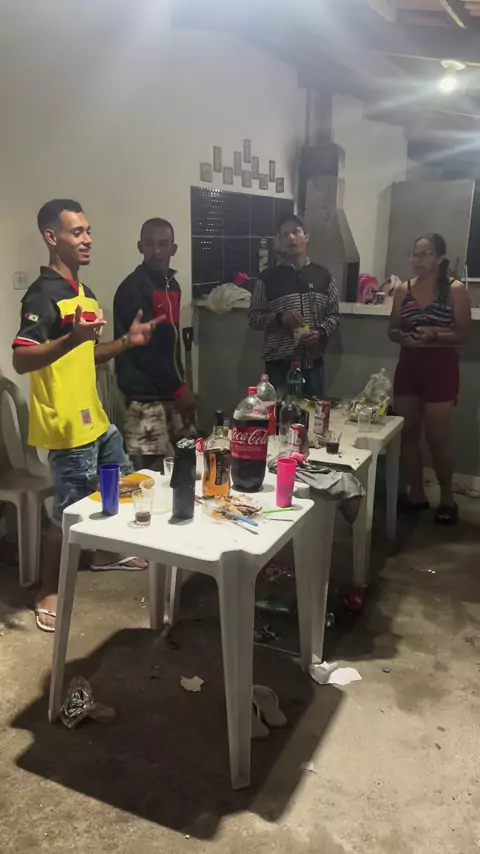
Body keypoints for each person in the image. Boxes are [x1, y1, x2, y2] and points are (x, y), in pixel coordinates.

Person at [12, 199, 163, 631]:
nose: (87, 239)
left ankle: (103, 554)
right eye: (76, 232)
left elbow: (88, 354)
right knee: (67, 512)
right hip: (65, 425)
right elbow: (21, 359)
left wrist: (128, 342)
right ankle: (48, 590)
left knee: (122, 487)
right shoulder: (42, 295)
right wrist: (69, 339)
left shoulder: (85, 294)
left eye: (88, 231)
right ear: (51, 238)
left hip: (95, 418)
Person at [388, 233, 471, 525]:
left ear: (439, 258)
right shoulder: (404, 288)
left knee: (437, 437)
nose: (418, 259)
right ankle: (417, 493)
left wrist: (433, 335)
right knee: (407, 433)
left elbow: (464, 334)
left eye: (425, 253)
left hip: (441, 366)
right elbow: (392, 329)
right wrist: (403, 337)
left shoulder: (455, 289)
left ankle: (447, 498)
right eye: (415, 253)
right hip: (409, 364)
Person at [114, 218, 196, 470]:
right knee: (151, 475)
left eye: (163, 244)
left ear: (174, 248)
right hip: (144, 398)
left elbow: (168, 344)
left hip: (170, 393)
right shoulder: (132, 289)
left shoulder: (173, 286)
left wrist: (179, 386)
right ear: (140, 247)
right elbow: (146, 352)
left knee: (183, 466)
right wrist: (180, 390)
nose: (157, 250)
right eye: (149, 243)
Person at [248, 213, 339, 397]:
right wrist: (280, 319)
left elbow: (334, 316)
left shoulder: (324, 276)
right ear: (280, 242)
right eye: (285, 234)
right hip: (280, 368)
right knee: (281, 414)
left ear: (306, 236)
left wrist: (321, 332)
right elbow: (254, 318)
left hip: (313, 367)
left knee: (313, 414)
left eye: (296, 232)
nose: (291, 238)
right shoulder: (267, 278)